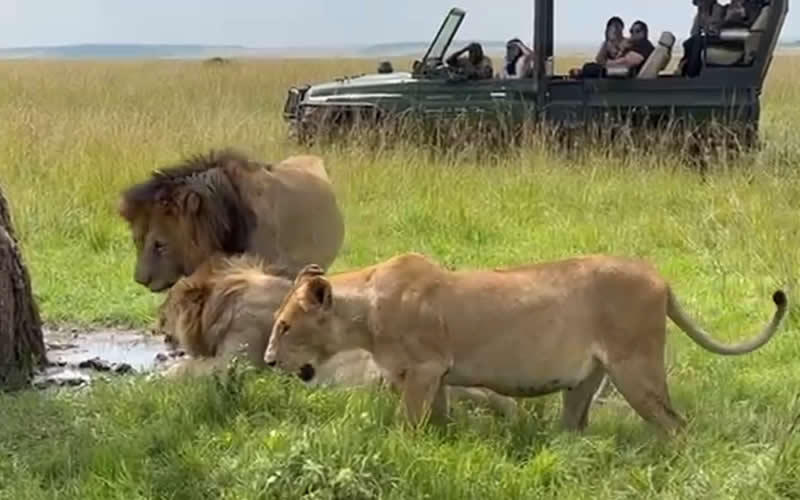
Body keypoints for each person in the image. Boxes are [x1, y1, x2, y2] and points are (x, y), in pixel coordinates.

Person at [677, 0, 725, 77]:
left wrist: (705, 20)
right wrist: (700, 17)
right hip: (706, 37)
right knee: (688, 43)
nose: (700, 4)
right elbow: (694, 32)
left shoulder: (717, 9)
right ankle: (684, 68)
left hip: (718, 38)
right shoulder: (700, 13)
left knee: (698, 41)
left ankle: (692, 71)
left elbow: (714, 29)